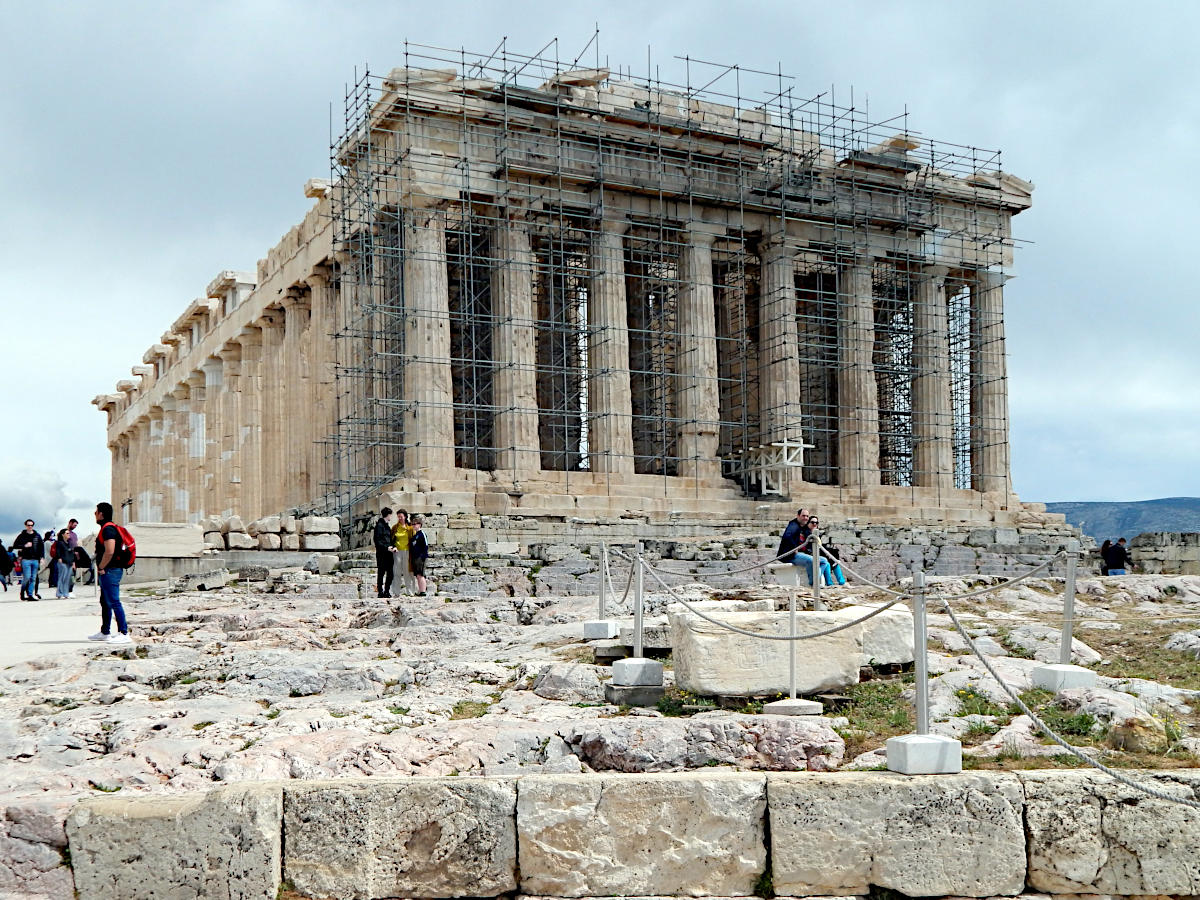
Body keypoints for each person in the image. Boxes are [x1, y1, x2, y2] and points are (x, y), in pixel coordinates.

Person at [90, 502, 132, 644]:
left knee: (114, 601)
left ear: (101, 513)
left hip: (111, 569)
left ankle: (124, 632)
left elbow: (110, 551)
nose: (94, 514)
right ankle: (105, 632)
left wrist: (101, 567)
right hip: (109, 569)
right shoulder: (107, 528)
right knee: (105, 602)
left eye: (96, 512)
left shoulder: (108, 530)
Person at [796, 515, 835, 587]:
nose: (815, 524)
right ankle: (814, 581)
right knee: (825, 561)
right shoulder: (805, 533)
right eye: (812, 522)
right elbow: (804, 547)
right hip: (806, 554)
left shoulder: (815, 534)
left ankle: (829, 583)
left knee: (828, 563)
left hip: (814, 553)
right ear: (808, 523)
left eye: (816, 523)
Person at [13, 519, 44, 601]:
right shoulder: (22, 535)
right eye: (28, 525)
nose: (30, 527)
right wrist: (24, 546)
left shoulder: (37, 535)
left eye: (31, 525)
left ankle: (30, 595)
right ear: (25, 526)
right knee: (27, 577)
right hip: (26, 559)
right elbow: (15, 545)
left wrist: (42, 557)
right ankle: (22, 592)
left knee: (33, 578)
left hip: (35, 559)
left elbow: (41, 547)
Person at [391, 509, 416, 595]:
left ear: (405, 517)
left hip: (407, 551)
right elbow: (392, 539)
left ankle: (410, 591)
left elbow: (414, 539)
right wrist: (393, 547)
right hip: (397, 551)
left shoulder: (410, 528)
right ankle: (396, 592)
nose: (400, 518)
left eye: (401, 516)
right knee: (397, 571)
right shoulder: (395, 527)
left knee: (407, 572)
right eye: (398, 517)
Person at [373, 506, 395, 598]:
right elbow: (377, 541)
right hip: (382, 553)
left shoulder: (387, 526)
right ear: (388, 515)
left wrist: (393, 547)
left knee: (390, 573)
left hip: (389, 553)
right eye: (390, 515)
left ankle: (387, 591)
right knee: (381, 573)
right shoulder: (379, 526)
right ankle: (380, 592)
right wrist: (386, 548)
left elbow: (390, 539)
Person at [408, 515, 429, 596]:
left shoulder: (422, 534)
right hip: (415, 557)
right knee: (417, 575)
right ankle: (420, 590)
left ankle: (423, 591)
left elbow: (425, 545)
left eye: (415, 524)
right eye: (412, 524)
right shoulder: (415, 535)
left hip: (421, 557)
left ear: (419, 524)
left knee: (421, 574)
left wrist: (424, 556)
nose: (413, 526)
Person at [52, 529, 74, 598]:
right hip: (63, 562)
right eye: (67, 533)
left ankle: (65, 593)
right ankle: (59, 593)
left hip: (69, 562)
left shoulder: (69, 543)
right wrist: (59, 558)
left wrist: (73, 562)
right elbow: (58, 551)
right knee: (62, 577)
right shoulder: (60, 543)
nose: (68, 534)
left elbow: (72, 553)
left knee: (67, 579)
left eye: (69, 533)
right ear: (63, 534)